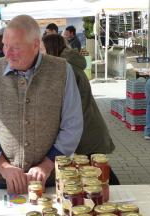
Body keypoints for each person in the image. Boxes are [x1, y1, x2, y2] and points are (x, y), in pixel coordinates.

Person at [0, 15, 83, 194]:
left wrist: (47, 165)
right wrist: (3, 167)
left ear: (36, 45)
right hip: (3, 180)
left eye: (15, 47)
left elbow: (73, 124)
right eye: (5, 46)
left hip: (50, 179)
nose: (7, 53)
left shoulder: (62, 70)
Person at [41, 34, 119, 185]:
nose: (40, 55)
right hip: (88, 127)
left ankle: (121, 198)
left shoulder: (66, 69)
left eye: (42, 49)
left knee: (98, 172)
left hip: (86, 132)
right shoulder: (70, 65)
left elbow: (65, 108)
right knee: (96, 170)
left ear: (50, 49)